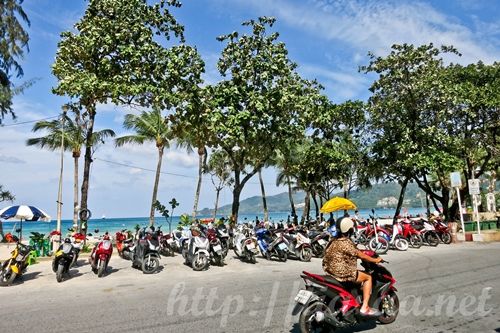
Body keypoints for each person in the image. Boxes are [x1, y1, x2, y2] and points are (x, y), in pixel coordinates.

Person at [322, 217, 383, 316]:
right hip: (342, 273)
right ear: (349, 229)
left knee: (359, 274)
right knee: (368, 277)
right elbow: (360, 255)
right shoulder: (346, 242)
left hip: (330, 271)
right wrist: (376, 260)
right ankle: (365, 307)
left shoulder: (334, 240)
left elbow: (349, 253)